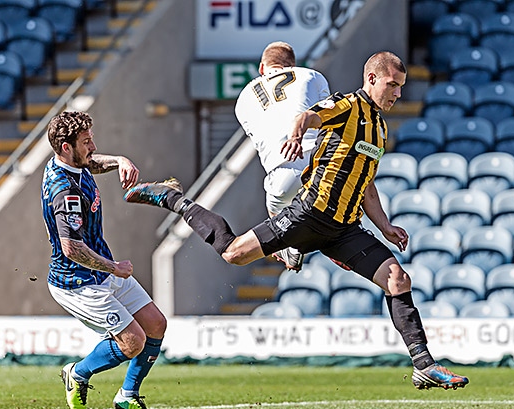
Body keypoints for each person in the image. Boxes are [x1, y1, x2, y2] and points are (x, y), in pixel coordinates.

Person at [125, 51, 469, 390]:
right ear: (371, 79)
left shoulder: (378, 127)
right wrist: (295, 134)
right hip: (309, 214)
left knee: (397, 279)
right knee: (233, 253)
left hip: (343, 230)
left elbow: (366, 184)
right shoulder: (348, 105)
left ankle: (425, 366)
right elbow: (310, 116)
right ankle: (171, 197)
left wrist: (385, 227)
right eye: (392, 85)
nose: (397, 93)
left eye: (401, 87)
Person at [41, 111, 167, 409]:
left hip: (100, 269)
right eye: (86, 141)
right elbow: (71, 248)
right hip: (78, 282)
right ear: (66, 148)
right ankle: (78, 373)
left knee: (155, 324)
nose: (93, 145)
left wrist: (119, 160)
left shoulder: (73, 162)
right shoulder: (65, 191)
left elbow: (92, 163)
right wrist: (114, 267)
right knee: (133, 342)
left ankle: (127, 395)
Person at [235, 41, 330, 271]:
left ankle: (290, 248)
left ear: (261, 68)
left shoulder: (244, 98)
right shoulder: (311, 76)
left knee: (278, 212)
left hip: (280, 175)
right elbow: (329, 120)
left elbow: (260, 140)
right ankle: (333, 244)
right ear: (293, 65)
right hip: (318, 165)